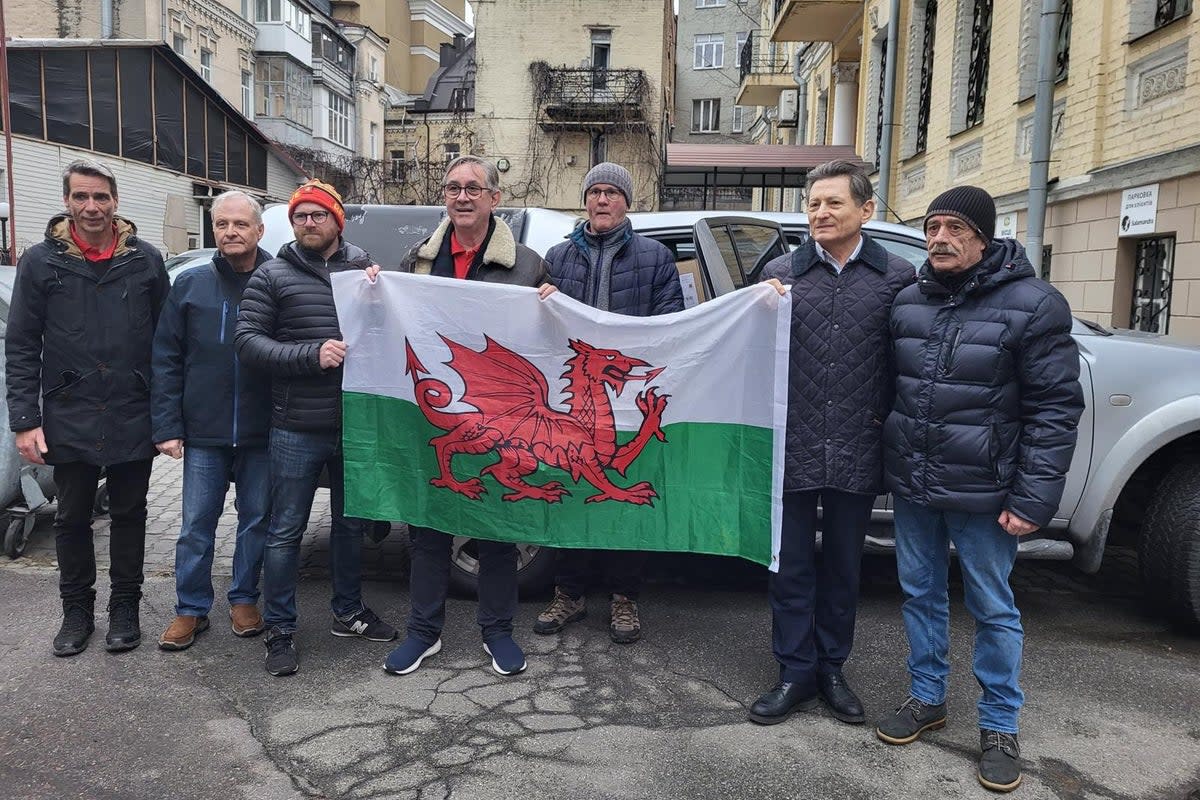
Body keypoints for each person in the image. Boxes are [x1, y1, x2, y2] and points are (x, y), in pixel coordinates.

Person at [874, 186, 1083, 793]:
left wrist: (1031, 499)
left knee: (992, 606)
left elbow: (1054, 409)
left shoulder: (1035, 304)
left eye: (956, 229)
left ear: (983, 239)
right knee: (920, 593)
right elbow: (891, 387)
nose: (940, 237)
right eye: (933, 226)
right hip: (916, 484)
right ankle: (927, 697)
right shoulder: (909, 300)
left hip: (988, 490)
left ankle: (998, 725)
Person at [748, 161, 915, 726]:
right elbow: (743, 351)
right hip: (789, 446)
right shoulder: (777, 274)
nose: (820, 212)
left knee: (845, 566)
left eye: (833, 203)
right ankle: (794, 671)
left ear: (866, 211)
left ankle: (833, 669)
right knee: (789, 566)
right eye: (813, 203)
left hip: (858, 443)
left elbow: (912, 362)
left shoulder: (898, 278)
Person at [371, 155, 549, 678]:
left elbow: (552, 339)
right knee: (427, 529)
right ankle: (423, 633)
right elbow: (394, 324)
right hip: (437, 410)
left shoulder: (528, 263)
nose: (462, 196)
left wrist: (552, 300)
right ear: (443, 198)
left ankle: (497, 631)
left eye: (474, 187)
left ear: (495, 198)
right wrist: (376, 289)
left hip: (499, 416)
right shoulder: (417, 260)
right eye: (453, 187)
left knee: (496, 529)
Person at [5, 159, 169, 656]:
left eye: (100, 197)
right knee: (71, 517)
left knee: (129, 514)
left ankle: (125, 609)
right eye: (81, 197)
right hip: (67, 411)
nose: (91, 207)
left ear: (115, 200)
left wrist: (167, 416)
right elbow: (21, 345)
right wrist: (25, 422)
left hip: (130, 408)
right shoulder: (40, 261)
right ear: (67, 202)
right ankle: (75, 611)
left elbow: (167, 343)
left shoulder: (145, 259)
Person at [235, 179, 397, 677]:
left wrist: (384, 292)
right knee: (285, 531)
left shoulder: (365, 271)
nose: (309, 222)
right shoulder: (272, 276)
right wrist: (310, 355)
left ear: (337, 221)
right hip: (295, 427)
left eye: (318, 215)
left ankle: (347, 611)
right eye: (300, 215)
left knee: (351, 525)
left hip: (355, 426)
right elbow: (246, 342)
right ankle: (281, 628)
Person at [534, 161, 684, 644]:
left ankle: (624, 599)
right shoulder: (557, 256)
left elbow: (671, 320)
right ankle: (569, 593)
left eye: (611, 193)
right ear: (585, 200)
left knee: (625, 493)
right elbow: (537, 328)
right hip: (575, 400)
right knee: (575, 493)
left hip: (629, 392)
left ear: (626, 202)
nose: (602, 200)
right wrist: (542, 299)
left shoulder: (655, 257)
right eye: (594, 192)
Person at [152, 191, 274, 650]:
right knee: (196, 525)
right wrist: (166, 426)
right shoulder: (190, 285)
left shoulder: (277, 281)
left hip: (263, 432)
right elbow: (165, 357)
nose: (230, 232)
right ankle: (190, 608)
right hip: (203, 431)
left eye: (240, 224)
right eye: (222, 224)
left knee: (256, 518)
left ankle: (244, 598)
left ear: (259, 231)